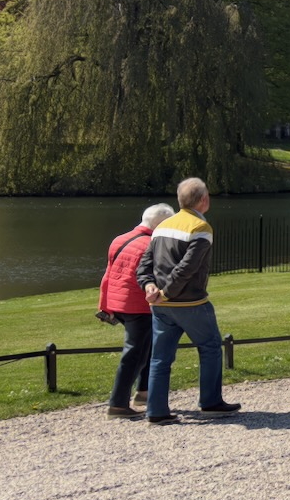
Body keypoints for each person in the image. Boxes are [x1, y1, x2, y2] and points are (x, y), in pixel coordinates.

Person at [136, 176, 241, 425]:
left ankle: (156, 410)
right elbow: (188, 268)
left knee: (160, 358)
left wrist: (150, 286)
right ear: (204, 200)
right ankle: (210, 402)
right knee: (211, 347)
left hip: (161, 306)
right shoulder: (200, 228)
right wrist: (167, 292)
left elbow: (144, 265)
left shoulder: (162, 226)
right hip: (190, 303)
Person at [98, 202, 173, 418]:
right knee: (135, 353)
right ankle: (118, 404)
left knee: (147, 347)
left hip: (117, 303)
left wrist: (103, 304)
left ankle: (144, 392)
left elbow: (108, 274)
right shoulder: (152, 244)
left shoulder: (119, 239)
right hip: (137, 305)